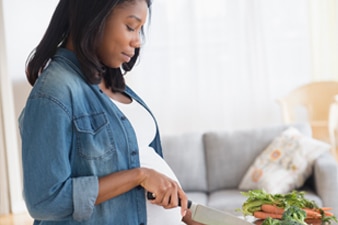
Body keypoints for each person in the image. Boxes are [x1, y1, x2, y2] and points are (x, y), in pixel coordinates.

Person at [19, 0, 204, 224]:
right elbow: (45, 201)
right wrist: (139, 175)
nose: (137, 41)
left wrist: (186, 214)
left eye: (140, 30)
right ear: (94, 17)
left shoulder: (112, 83)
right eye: (130, 27)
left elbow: (139, 163)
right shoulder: (53, 93)